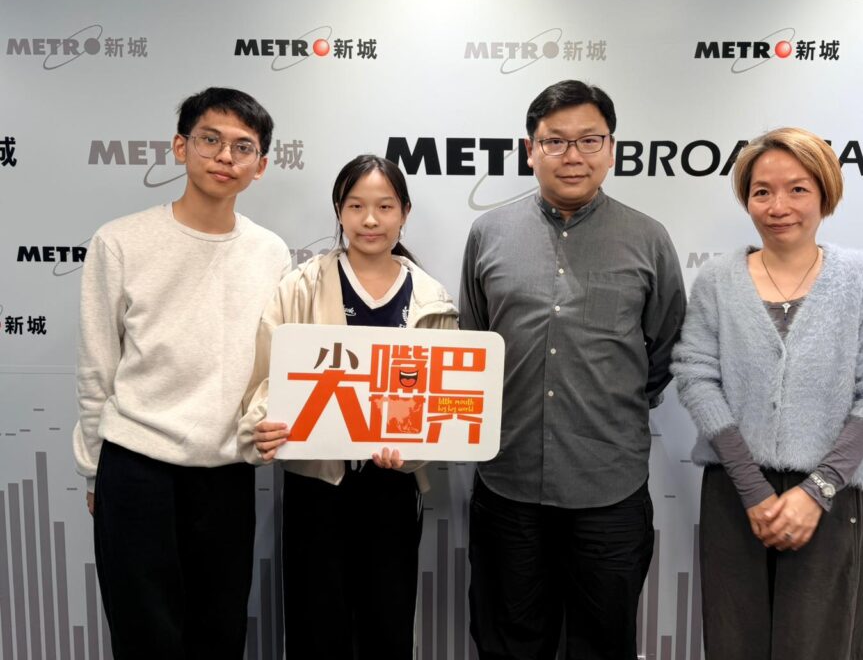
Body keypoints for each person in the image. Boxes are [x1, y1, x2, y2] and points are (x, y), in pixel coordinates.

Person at [460, 80, 686, 660]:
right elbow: (475, 342)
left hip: (608, 488)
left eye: (589, 140)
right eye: (554, 141)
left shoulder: (648, 239)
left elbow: (664, 348)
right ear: (530, 150)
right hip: (507, 482)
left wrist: (611, 400)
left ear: (612, 150)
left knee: (603, 645)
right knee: (508, 644)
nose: (572, 156)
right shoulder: (488, 234)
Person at [672, 127, 863, 659]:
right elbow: (695, 375)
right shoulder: (717, 280)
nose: (778, 206)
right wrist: (753, 489)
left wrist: (817, 491)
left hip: (834, 494)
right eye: (762, 191)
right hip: (736, 491)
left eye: (798, 189)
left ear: (825, 193)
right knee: (733, 642)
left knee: (820, 644)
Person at [72, 87, 291, 659]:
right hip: (135, 468)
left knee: (219, 636)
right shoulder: (119, 241)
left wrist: (267, 423)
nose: (225, 156)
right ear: (180, 147)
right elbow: (97, 369)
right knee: (144, 639)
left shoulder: (271, 253)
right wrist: (95, 473)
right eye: (210, 140)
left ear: (261, 166)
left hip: (226, 474)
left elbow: (275, 363)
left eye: (242, 147)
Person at [238, 154, 458, 659]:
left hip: (393, 486)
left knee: (388, 625)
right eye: (356, 206)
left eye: (385, 206)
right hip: (317, 484)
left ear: (404, 212)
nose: (370, 220)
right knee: (316, 627)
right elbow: (265, 379)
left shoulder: (430, 297)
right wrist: (262, 425)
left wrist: (413, 451)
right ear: (339, 211)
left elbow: (438, 404)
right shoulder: (302, 285)